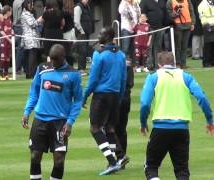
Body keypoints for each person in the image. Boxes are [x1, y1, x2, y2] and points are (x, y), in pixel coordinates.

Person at [140, 51, 214, 180]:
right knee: (182, 171)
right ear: (174, 62)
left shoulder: (153, 77)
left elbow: (145, 103)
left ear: (159, 64)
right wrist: (210, 120)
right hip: (182, 130)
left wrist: (143, 122)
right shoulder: (186, 76)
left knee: (151, 167)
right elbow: (202, 97)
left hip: (160, 129)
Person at [22, 44, 83, 180]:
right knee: (35, 156)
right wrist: (27, 111)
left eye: (56, 59)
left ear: (63, 57)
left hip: (60, 122)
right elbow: (34, 92)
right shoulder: (42, 69)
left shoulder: (73, 74)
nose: (53, 63)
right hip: (40, 120)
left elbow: (78, 100)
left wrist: (70, 122)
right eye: (51, 59)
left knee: (59, 159)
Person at [82, 26, 127, 175]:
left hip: (101, 95)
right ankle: (114, 162)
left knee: (95, 128)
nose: (98, 35)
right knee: (110, 128)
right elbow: (123, 79)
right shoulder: (121, 55)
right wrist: (119, 97)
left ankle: (112, 161)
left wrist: (85, 95)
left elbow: (93, 79)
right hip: (115, 95)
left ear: (107, 37)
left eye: (101, 34)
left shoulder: (99, 54)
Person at [167, 0, 195, 69]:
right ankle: (178, 63)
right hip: (177, 26)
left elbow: (192, 12)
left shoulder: (187, 1)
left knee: (184, 46)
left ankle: (183, 63)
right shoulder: (170, 2)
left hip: (188, 25)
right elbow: (169, 15)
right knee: (178, 46)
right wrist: (176, 13)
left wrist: (193, 23)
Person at [140, 0, 168, 71]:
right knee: (149, 47)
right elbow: (141, 14)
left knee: (158, 47)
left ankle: (157, 65)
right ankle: (149, 66)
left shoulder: (162, 1)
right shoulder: (145, 1)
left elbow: (165, 12)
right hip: (149, 28)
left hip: (160, 28)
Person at [21, 0, 42, 79]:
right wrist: (39, 19)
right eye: (31, 4)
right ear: (27, 5)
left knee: (32, 56)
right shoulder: (25, 14)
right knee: (32, 56)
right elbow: (32, 24)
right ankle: (31, 73)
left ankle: (31, 73)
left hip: (31, 37)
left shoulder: (28, 14)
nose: (32, 6)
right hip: (30, 38)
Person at [74, 0, 94, 75]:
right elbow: (76, 22)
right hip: (81, 33)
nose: (87, 0)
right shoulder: (78, 7)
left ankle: (83, 68)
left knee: (84, 51)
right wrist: (82, 31)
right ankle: (81, 69)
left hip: (86, 33)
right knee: (81, 51)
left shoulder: (86, 7)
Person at [198, 0, 214, 67]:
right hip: (208, 26)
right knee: (208, 45)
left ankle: (212, 61)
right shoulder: (202, 4)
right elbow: (202, 16)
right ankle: (206, 62)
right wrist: (207, 26)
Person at [0, 5, 13, 80]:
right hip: (4, 41)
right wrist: (9, 39)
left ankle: (6, 74)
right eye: (11, 11)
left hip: (10, 42)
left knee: (8, 58)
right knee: (3, 58)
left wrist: (13, 35)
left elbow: (11, 29)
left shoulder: (10, 19)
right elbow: (1, 31)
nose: (11, 12)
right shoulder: (2, 19)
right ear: (8, 12)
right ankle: (1, 75)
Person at [13, 0, 25, 74]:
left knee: (20, 48)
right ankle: (17, 68)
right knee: (21, 48)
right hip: (20, 26)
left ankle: (19, 67)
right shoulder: (22, 2)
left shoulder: (15, 1)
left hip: (16, 26)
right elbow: (21, 17)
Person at [62, 0, 75, 67]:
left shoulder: (64, 13)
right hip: (71, 31)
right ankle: (71, 65)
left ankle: (68, 65)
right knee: (70, 50)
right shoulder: (71, 11)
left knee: (67, 51)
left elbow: (63, 24)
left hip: (66, 32)